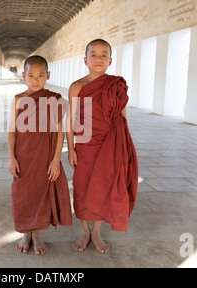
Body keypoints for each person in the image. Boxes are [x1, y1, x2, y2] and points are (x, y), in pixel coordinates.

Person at [67, 39, 139, 253]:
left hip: (110, 145)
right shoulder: (77, 87)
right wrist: (70, 148)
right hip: (85, 145)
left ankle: (96, 232)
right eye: (94, 54)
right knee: (82, 186)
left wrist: (125, 146)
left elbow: (122, 117)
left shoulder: (116, 85)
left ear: (110, 60)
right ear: (85, 59)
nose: (98, 58)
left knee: (103, 187)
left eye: (103, 54)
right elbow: (71, 120)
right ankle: (84, 231)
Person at [8, 55, 72, 255]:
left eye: (41, 75)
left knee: (41, 195)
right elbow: (12, 130)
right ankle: (26, 232)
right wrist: (12, 157)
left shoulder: (53, 99)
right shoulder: (18, 99)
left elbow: (59, 131)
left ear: (48, 76)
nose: (35, 80)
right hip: (24, 156)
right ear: (24, 75)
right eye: (31, 76)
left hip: (45, 157)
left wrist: (56, 160)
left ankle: (36, 235)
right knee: (24, 195)